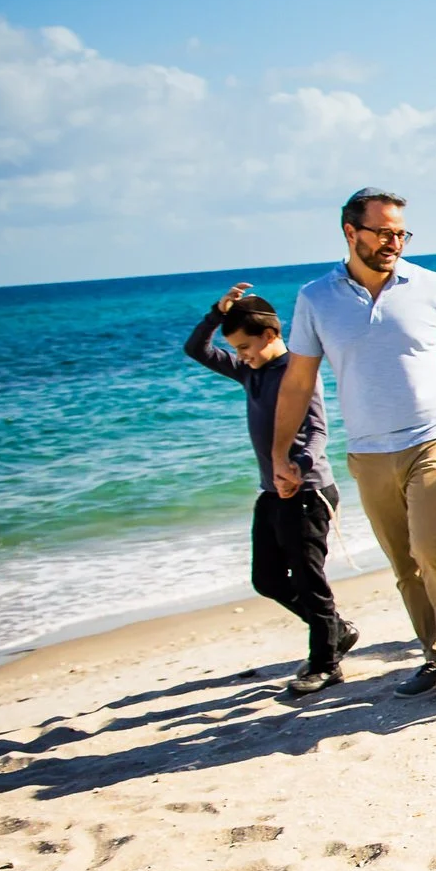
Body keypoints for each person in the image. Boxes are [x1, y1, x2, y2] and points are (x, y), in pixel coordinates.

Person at [276, 188, 436, 700]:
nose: (394, 242)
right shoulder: (315, 299)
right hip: (368, 451)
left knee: (432, 547)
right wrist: (279, 454)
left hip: (434, 435)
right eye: (384, 232)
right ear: (351, 232)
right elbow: (298, 381)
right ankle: (432, 653)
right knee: (403, 562)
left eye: (400, 233)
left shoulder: (430, 285)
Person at [182, 283, 356, 695]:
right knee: (268, 579)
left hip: (308, 492)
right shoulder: (249, 371)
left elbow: (317, 430)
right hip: (270, 493)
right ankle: (335, 630)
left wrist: (299, 466)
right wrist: (216, 311)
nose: (241, 355)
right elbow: (196, 350)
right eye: (236, 349)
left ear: (271, 335)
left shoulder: (297, 372)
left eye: (245, 346)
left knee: (311, 581)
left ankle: (326, 663)